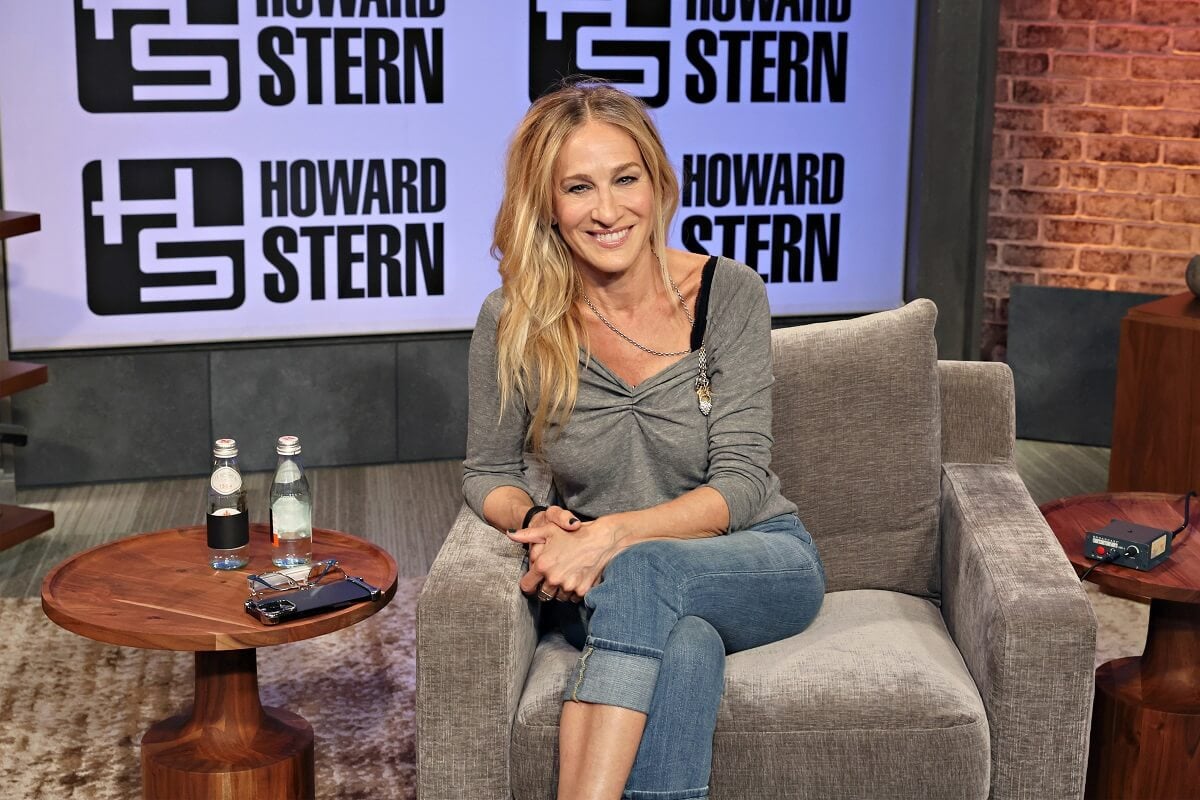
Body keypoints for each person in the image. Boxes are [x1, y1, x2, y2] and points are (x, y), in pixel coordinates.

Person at [463, 79, 826, 800]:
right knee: (684, 647)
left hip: (756, 559)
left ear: (657, 183)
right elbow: (488, 472)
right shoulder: (515, 318)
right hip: (603, 583)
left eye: (625, 179)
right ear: (548, 206)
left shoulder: (730, 292)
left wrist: (609, 538)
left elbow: (742, 484)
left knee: (646, 571)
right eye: (578, 188)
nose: (607, 210)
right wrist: (537, 520)